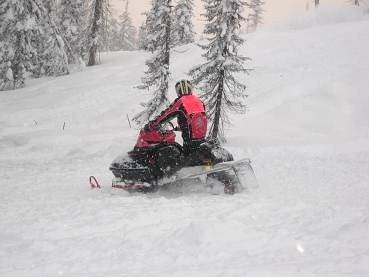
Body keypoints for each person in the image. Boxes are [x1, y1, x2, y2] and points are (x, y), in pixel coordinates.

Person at [146, 80, 208, 155]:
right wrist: (180, 127)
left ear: (178, 91)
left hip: (189, 142)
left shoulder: (181, 102)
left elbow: (166, 114)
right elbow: (195, 118)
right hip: (202, 140)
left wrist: (153, 124)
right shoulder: (199, 101)